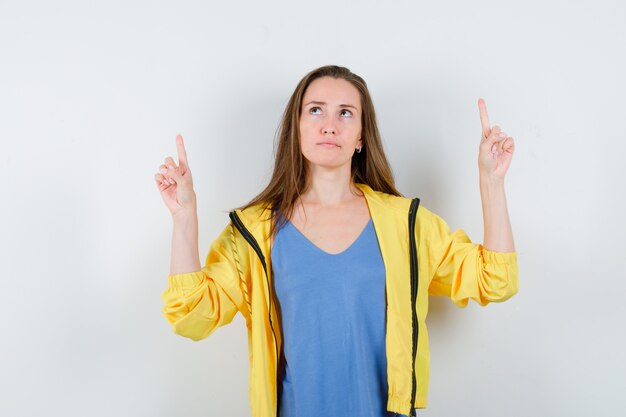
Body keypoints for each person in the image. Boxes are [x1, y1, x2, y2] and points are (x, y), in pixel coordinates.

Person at [155, 65, 518, 417]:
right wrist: (184, 218)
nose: (330, 126)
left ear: (361, 136)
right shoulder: (255, 233)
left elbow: (495, 280)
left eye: (346, 113)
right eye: (316, 111)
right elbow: (191, 317)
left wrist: (492, 182)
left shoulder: (405, 224)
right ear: (296, 129)